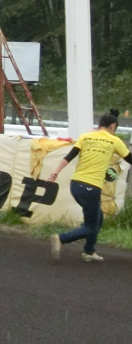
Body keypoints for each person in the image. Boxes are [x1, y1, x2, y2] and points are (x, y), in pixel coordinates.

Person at [47, 109, 132, 262]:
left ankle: (89, 251)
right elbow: (129, 159)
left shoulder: (85, 136)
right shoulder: (114, 140)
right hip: (91, 187)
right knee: (91, 226)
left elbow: (69, 156)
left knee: (97, 219)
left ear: (99, 124)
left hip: (75, 184)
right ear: (113, 126)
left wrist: (56, 172)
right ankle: (61, 238)